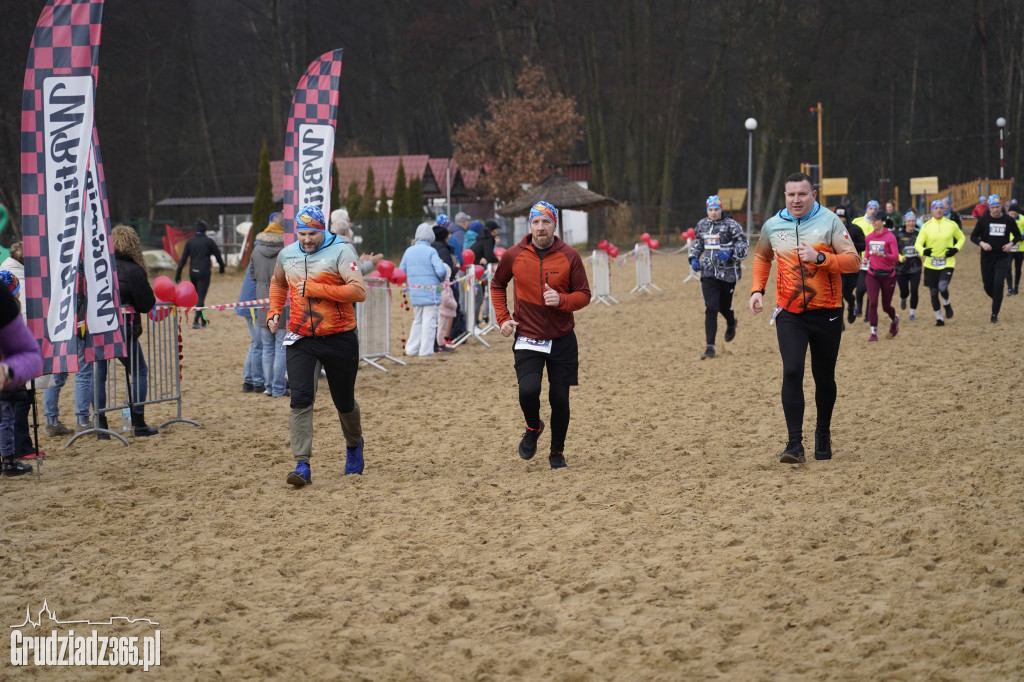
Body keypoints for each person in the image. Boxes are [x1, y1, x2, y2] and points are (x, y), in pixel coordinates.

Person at [749, 172, 860, 464]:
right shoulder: (773, 225)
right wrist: (757, 290)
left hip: (827, 312)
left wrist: (821, 258)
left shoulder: (830, 221)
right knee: (792, 371)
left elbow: (853, 261)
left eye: (802, 194)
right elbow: (762, 257)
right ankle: (794, 444)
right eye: (791, 194)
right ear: (784, 196)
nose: (796, 200)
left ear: (813, 194)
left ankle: (822, 433)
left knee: (823, 378)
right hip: (790, 312)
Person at [267, 205, 366, 487]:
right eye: (302, 233)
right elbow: (278, 283)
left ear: (323, 230)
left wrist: (316, 288)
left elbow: (359, 291)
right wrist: (274, 311)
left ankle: (354, 445)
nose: (307, 239)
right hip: (301, 339)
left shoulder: (342, 251)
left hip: (339, 337)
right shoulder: (287, 254)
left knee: (343, 401)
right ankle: (302, 464)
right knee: (300, 399)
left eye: (312, 233)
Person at [491, 201, 591, 470]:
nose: (540, 227)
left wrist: (562, 300)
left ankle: (556, 452)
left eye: (546, 222)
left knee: (559, 398)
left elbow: (584, 295)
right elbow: (497, 284)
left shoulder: (570, 256)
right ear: (530, 226)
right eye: (535, 222)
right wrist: (503, 318)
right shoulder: (514, 255)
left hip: (562, 338)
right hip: (527, 337)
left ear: (554, 225)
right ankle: (533, 427)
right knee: (528, 390)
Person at [97, 225, 159, 437]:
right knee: (139, 372)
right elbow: (146, 304)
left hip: (99, 329)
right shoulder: (134, 270)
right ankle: (138, 420)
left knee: (99, 377)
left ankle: (100, 424)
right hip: (125, 330)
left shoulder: (98, 267)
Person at [688, 194, 748, 358]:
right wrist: (693, 258)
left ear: (721, 209)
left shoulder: (731, 225)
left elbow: (743, 245)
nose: (713, 212)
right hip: (708, 272)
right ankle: (710, 347)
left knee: (724, 306)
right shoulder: (702, 225)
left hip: (728, 273)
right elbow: (698, 244)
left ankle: (731, 322)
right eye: (710, 209)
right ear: (707, 210)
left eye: (716, 209)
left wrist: (730, 253)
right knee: (711, 308)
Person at [0, 281, 42, 476]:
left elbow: (30, 354)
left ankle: (8, 459)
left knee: (7, 420)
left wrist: (8, 372)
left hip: (8, 390)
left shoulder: (4, 299)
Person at [250, 215, 289, 397]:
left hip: (262, 302)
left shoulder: (256, 250)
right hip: (281, 302)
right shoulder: (286, 251)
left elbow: (253, 275)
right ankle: (279, 388)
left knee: (267, 347)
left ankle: (269, 387)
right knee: (281, 346)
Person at [969, 194, 1022, 323]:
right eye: (993, 207)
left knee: (998, 284)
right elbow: (973, 237)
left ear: (1001, 207)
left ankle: (994, 315)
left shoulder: (1008, 220)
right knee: (988, 286)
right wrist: (982, 244)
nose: (995, 210)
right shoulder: (983, 220)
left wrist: (1010, 244)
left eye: (998, 207)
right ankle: (997, 299)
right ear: (989, 208)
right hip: (987, 258)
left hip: (1002, 257)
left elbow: (1017, 236)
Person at [915, 199, 966, 327]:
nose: (938, 210)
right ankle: (939, 318)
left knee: (942, 287)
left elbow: (962, 238)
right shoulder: (926, 226)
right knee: (933, 292)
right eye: (935, 208)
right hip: (930, 264)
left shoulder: (951, 224)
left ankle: (947, 303)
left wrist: (955, 249)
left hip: (947, 262)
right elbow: (918, 243)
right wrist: (923, 251)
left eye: (940, 208)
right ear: (932, 211)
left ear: (944, 210)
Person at [399, 223, 447, 357]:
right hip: (431, 292)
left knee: (418, 320)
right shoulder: (431, 251)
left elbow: (401, 272)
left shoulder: (408, 251)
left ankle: (412, 348)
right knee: (429, 321)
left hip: (415, 292)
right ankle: (425, 350)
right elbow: (441, 271)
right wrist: (441, 276)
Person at [174, 219, 225, 328]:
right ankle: (196, 321)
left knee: (198, 297)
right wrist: (221, 267)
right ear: (205, 229)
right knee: (201, 297)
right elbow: (218, 255)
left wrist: (178, 273)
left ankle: (203, 320)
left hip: (193, 272)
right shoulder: (208, 241)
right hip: (204, 272)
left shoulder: (190, 242)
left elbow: (183, 259)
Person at [863, 213, 900, 341]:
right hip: (872, 274)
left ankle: (894, 320)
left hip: (888, 275)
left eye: (876, 220)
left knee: (886, 306)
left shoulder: (890, 237)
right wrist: (865, 258)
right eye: (872, 220)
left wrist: (884, 254)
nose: (873, 222)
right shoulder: (868, 238)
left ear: (883, 221)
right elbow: (867, 251)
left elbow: (896, 257)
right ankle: (873, 333)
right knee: (872, 303)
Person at [236, 258, 265, 394]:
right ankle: (256, 381)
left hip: (251, 303)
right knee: (259, 344)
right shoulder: (267, 253)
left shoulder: (258, 252)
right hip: (256, 305)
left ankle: (249, 380)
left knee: (256, 343)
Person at [834, 207, 865, 328]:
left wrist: (851, 244)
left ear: (846, 217)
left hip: (853, 268)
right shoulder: (830, 230)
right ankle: (840, 322)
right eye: (837, 216)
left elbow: (864, 245)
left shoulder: (855, 230)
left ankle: (852, 306)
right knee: (839, 294)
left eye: (842, 216)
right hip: (837, 267)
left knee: (848, 294)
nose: (840, 219)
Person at [331, 208, 383, 275]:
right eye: (348, 222)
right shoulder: (347, 247)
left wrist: (358, 261)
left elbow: (348, 265)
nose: (350, 224)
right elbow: (357, 271)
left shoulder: (329, 244)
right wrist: (371, 262)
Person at [851, 200, 878, 322]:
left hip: (876, 261)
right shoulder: (857, 222)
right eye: (871, 208)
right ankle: (859, 305)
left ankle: (868, 314)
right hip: (861, 260)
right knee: (860, 288)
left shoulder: (878, 224)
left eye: (875, 209)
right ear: (867, 209)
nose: (873, 211)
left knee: (871, 290)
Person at [894, 211, 923, 321]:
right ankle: (903, 298)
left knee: (914, 290)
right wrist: (901, 257)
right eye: (909, 221)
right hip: (901, 268)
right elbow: (893, 250)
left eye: (913, 221)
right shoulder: (898, 234)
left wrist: (922, 253)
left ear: (915, 222)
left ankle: (912, 313)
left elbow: (924, 246)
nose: (911, 223)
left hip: (915, 267)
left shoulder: (919, 234)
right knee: (905, 291)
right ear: (905, 222)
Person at [1006, 201, 1024, 295]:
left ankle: (1016, 286)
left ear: (1018, 213)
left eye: (1014, 213)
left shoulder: (1023, 219)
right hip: (1008, 247)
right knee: (1007, 267)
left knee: (1018, 268)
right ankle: (1009, 288)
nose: (1012, 215)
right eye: (1011, 213)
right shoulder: (1005, 219)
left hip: (1020, 247)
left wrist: (1022, 236)